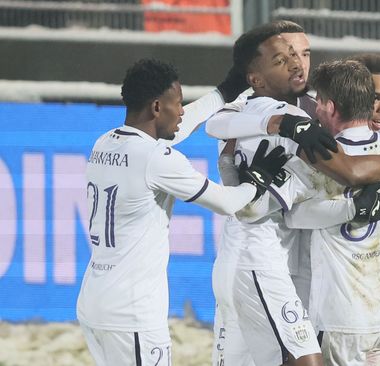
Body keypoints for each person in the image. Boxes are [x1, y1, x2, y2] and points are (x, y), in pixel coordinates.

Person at [76, 58, 289, 366]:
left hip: (94, 303)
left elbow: (179, 127)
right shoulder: (156, 158)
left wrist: (224, 91)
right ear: (156, 107)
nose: (183, 111)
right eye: (178, 103)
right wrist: (259, 179)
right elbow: (228, 203)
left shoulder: (104, 143)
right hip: (132, 313)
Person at [284, 59, 380, 365]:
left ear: (328, 106)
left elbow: (292, 216)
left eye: (318, 104)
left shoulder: (317, 159)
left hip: (342, 320)